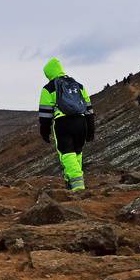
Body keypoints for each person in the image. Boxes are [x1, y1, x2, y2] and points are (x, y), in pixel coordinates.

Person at [37, 58, 95, 195]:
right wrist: (90, 130)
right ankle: (72, 183)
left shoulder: (49, 88)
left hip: (63, 124)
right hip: (81, 122)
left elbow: (45, 114)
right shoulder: (78, 86)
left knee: (67, 153)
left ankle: (77, 187)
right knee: (77, 152)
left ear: (49, 73)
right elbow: (89, 109)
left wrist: (44, 132)